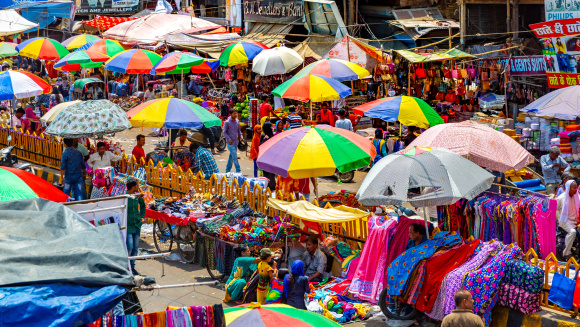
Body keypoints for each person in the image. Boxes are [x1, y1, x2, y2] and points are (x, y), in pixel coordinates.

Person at [126, 179, 146, 275]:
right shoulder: (124, 197)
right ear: (133, 187)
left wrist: (142, 217)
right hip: (128, 225)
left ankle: (132, 267)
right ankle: (126, 266)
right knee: (129, 247)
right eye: (137, 185)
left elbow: (143, 206)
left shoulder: (138, 196)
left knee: (135, 248)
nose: (139, 187)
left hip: (137, 224)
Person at [557, 180, 579, 259]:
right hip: (565, 221)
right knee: (572, 232)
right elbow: (556, 210)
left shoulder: (577, 196)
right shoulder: (561, 198)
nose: (576, 189)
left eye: (576, 187)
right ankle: (567, 252)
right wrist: (560, 219)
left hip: (575, 220)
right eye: (574, 188)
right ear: (568, 188)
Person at [223, 109, 242, 173]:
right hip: (230, 143)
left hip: (236, 141)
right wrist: (229, 139)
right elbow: (224, 132)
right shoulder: (227, 122)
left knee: (231, 157)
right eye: (234, 113)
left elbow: (239, 130)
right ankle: (238, 170)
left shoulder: (237, 121)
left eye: (236, 113)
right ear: (230, 114)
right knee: (235, 157)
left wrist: (241, 136)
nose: (235, 115)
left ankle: (227, 169)